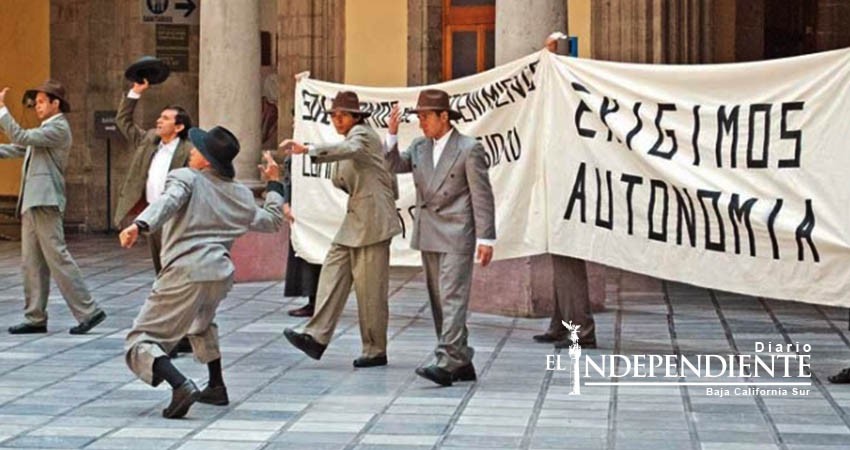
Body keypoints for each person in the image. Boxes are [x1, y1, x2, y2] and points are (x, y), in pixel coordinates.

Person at [119, 126, 284, 419]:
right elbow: (272, 221)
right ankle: (216, 386)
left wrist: (140, 224)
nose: (192, 151)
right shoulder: (240, 194)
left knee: (140, 339)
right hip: (219, 275)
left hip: (186, 271)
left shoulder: (186, 178)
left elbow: (169, 200)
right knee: (201, 324)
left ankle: (180, 385)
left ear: (206, 160)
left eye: (197, 149)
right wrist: (274, 184)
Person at [280, 90, 401, 368]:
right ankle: (316, 336)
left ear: (355, 117)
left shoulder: (362, 135)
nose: (337, 120)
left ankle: (375, 350)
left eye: (342, 115)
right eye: (334, 115)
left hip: (373, 222)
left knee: (370, 291)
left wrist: (307, 150)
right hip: (356, 219)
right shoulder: (348, 142)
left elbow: (353, 149)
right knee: (332, 272)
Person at [385, 89, 496, 387]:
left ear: (443, 116)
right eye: (419, 117)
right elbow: (393, 165)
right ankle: (462, 361)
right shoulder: (420, 147)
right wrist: (392, 135)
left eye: (425, 117)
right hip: (429, 231)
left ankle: (446, 362)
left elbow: (482, 195)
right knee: (438, 301)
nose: (421, 123)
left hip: (458, 233)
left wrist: (486, 238)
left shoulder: (468, 148)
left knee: (452, 298)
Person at [0, 80, 106, 335]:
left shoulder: (58, 127)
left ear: (55, 103)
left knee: (57, 257)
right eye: (36, 102)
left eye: (41, 102)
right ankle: (35, 316)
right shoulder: (46, 129)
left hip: (45, 199)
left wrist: (3, 111)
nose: (37, 107)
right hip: (33, 200)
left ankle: (89, 311)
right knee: (31, 262)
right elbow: (19, 147)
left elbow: (21, 137)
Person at [532, 35, 597, 350]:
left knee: (568, 261)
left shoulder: (572, 98)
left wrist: (552, 56)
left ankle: (581, 331)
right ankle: (561, 324)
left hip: (571, 193)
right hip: (558, 188)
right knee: (561, 261)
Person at [114, 78, 192, 274]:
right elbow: (123, 122)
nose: (159, 121)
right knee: (159, 264)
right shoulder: (149, 139)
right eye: (159, 117)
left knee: (175, 262)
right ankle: (162, 290)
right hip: (152, 212)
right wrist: (135, 92)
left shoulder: (189, 150)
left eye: (165, 118)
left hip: (175, 215)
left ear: (179, 127)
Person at [281, 156, 322, 317]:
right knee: (304, 252)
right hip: (303, 207)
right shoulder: (296, 155)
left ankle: (321, 301)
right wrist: (286, 202)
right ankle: (313, 300)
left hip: (323, 206)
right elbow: (289, 176)